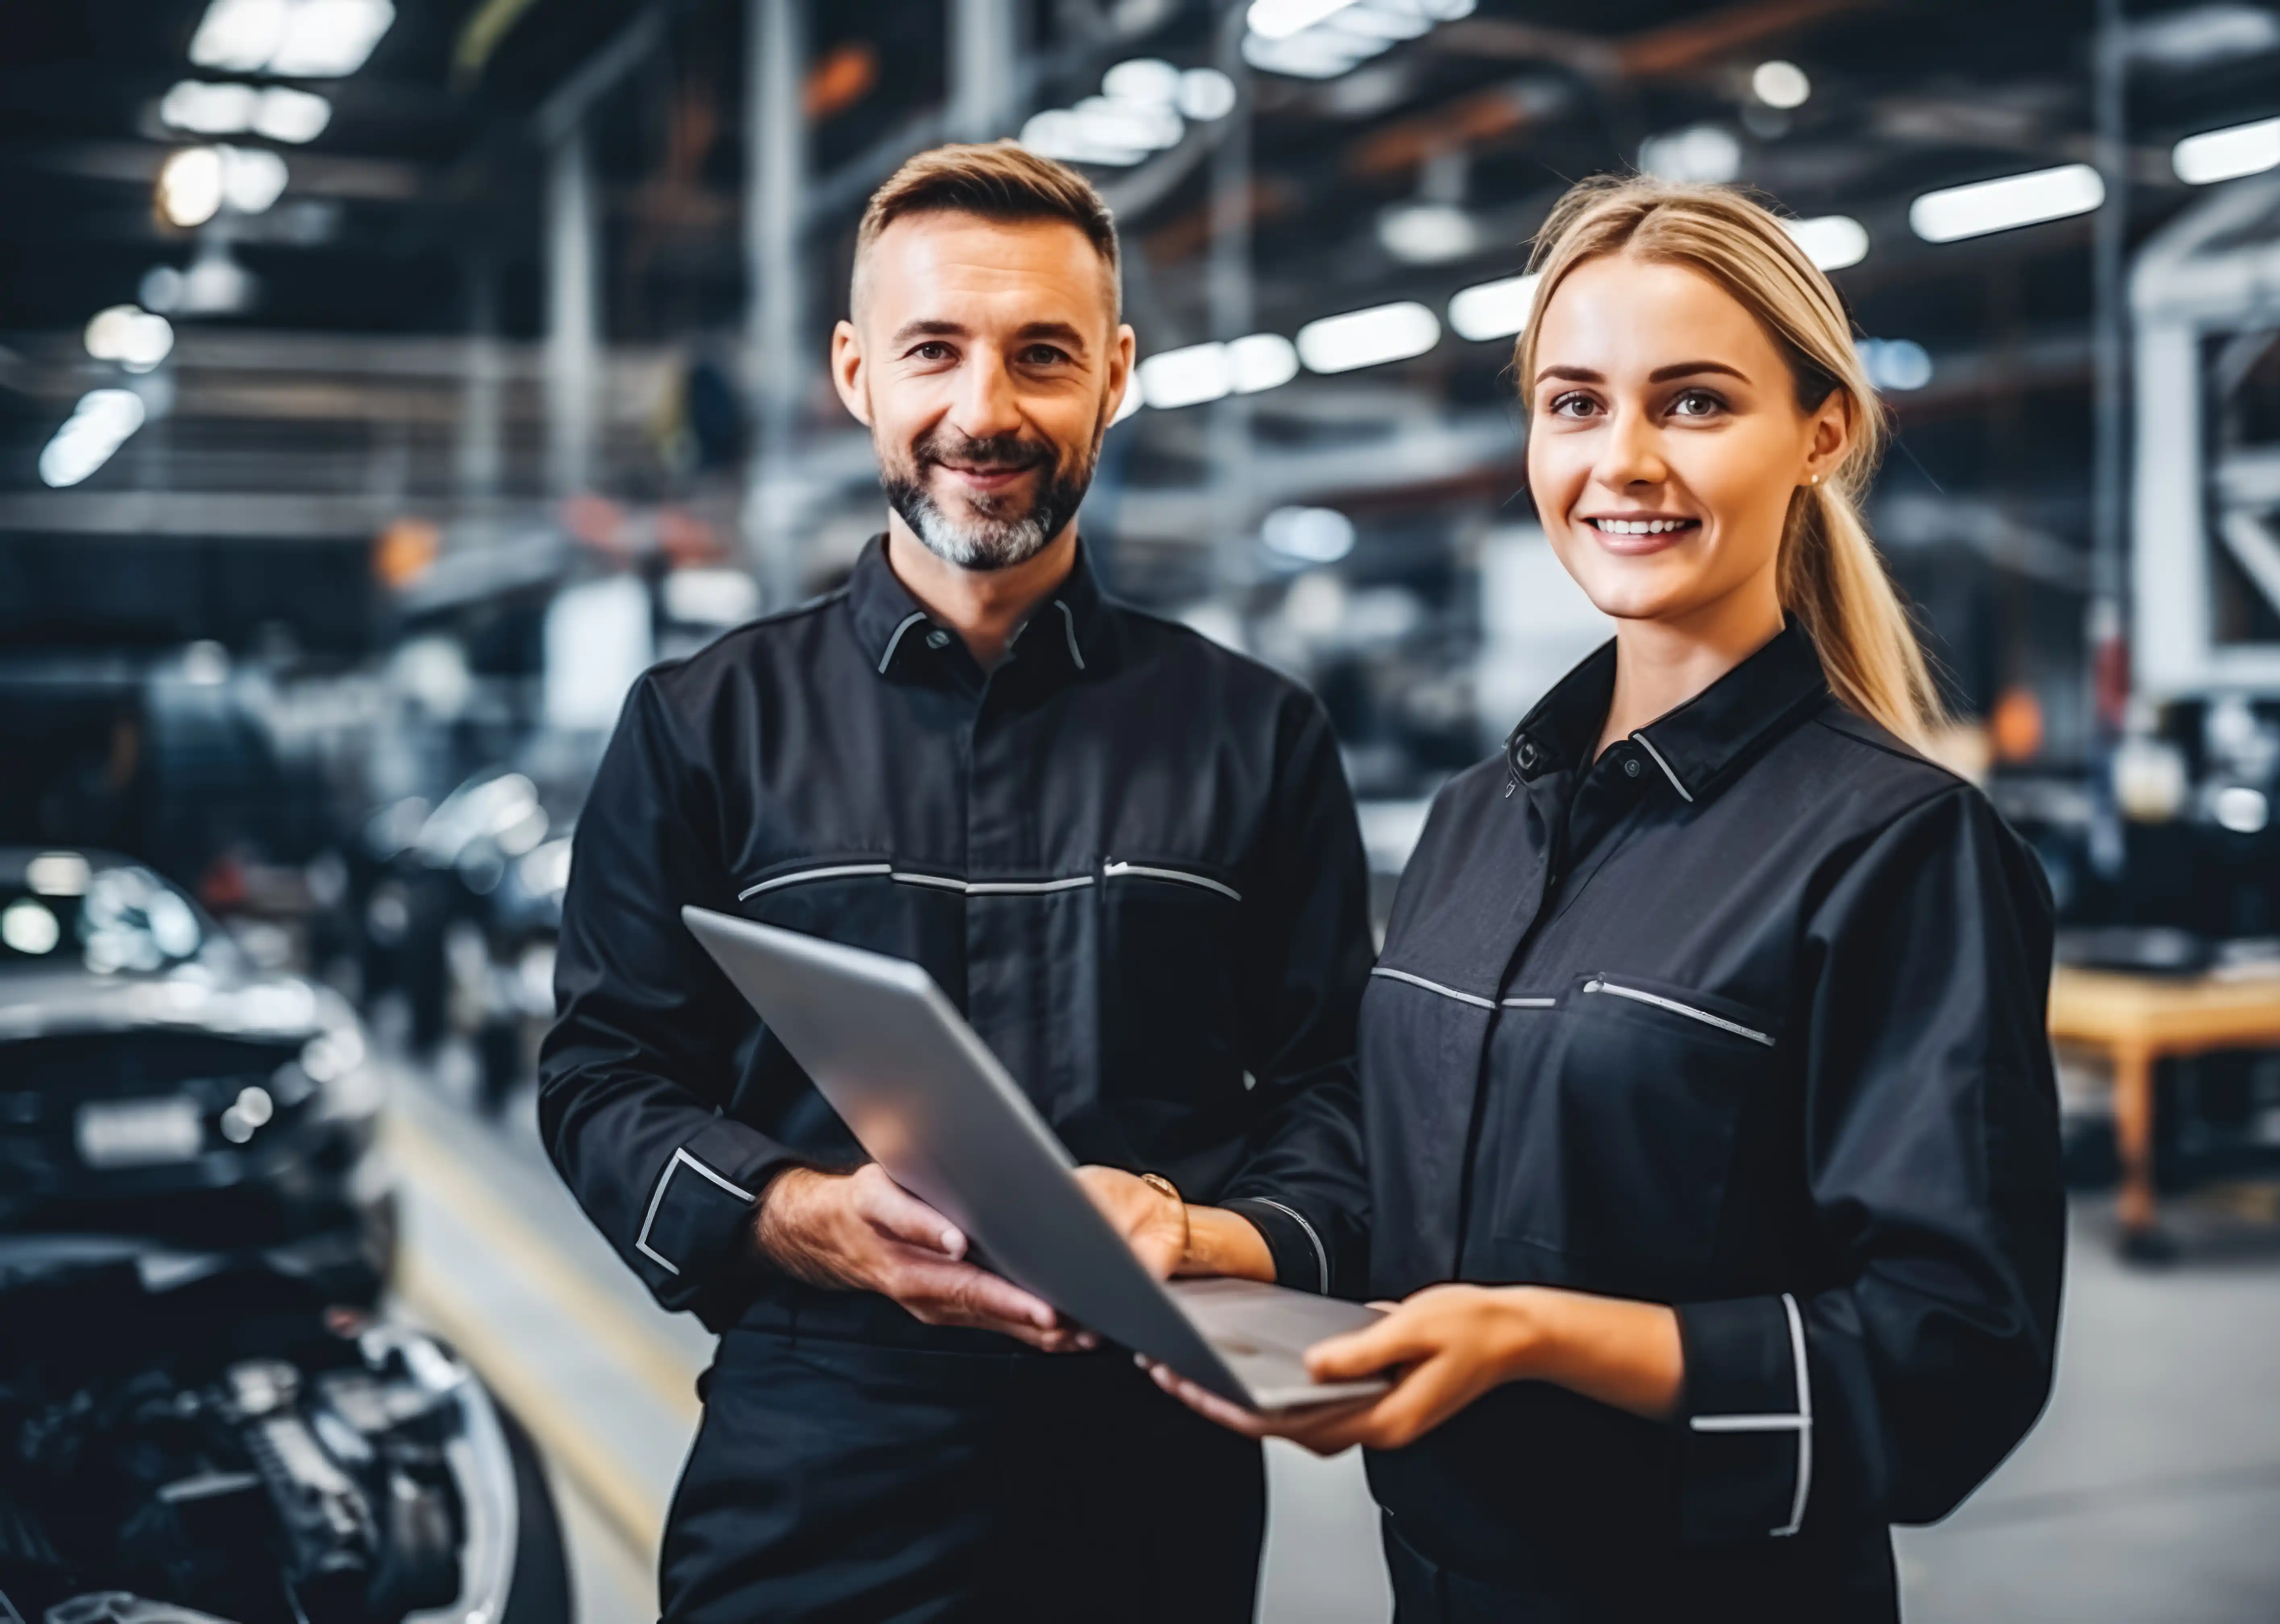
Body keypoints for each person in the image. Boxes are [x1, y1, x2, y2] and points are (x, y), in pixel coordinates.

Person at [1147, 174, 2065, 1620]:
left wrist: (1546, 1338)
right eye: (1575, 404)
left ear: (1820, 432)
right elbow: (1434, 1188)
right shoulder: (1475, 821)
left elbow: (1950, 1364)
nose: (1622, 459)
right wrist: (1214, 1240)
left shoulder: (1899, 849)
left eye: (1694, 403)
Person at [536, 143, 1373, 1623]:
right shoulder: (701, 724)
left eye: (1041, 356)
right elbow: (602, 1077)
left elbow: (1343, 1104)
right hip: (812, 1469)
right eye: (935, 351)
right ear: (857, 374)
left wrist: (1201, 1232)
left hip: (1152, 1481)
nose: (983, 413)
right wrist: (803, 1213)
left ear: (1117, 375)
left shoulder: (1257, 736)